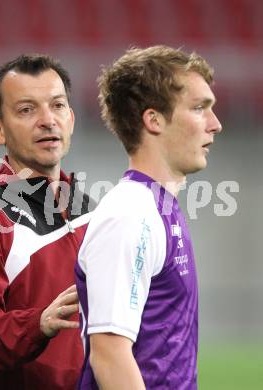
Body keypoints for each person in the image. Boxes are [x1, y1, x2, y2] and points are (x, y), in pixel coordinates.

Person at [75, 45, 222, 389]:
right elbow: (110, 354)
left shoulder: (157, 206)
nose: (215, 124)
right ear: (153, 120)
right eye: (200, 108)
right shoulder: (129, 214)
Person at [0, 54, 93, 390]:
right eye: (27, 110)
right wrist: (37, 324)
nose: (47, 120)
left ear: (70, 119)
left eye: (57, 106)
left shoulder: (91, 212)